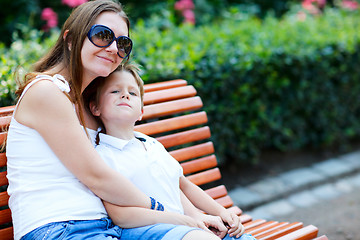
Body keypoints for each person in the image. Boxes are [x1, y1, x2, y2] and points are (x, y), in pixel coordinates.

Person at [6, 1, 216, 239]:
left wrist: (195, 216)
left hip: (110, 226)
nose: (114, 48)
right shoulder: (46, 92)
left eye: (123, 43)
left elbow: (139, 165)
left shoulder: (90, 105)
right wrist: (164, 209)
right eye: (103, 35)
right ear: (71, 40)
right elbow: (97, 177)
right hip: (57, 228)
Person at [84, 62, 257, 240]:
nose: (125, 95)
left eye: (133, 93)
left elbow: (181, 185)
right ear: (95, 107)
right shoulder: (103, 156)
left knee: (242, 238)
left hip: (183, 227)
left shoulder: (151, 144)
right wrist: (183, 221)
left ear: (141, 112)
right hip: (146, 230)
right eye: (115, 91)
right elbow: (120, 215)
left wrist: (220, 212)